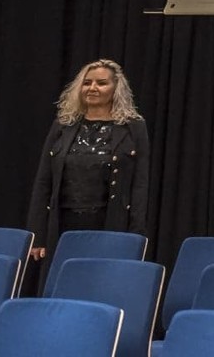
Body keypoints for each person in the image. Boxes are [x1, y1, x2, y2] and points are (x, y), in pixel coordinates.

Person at [26, 59, 150, 283]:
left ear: (116, 88)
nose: (92, 88)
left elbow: (139, 186)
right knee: (60, 284)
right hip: (63, 224)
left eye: (101, 83)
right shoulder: (63, 125)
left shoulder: (134, 127)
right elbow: (43, 181)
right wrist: (38, 233)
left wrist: (136, 235)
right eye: (87, 83)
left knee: (100, 284)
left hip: (109, 222)